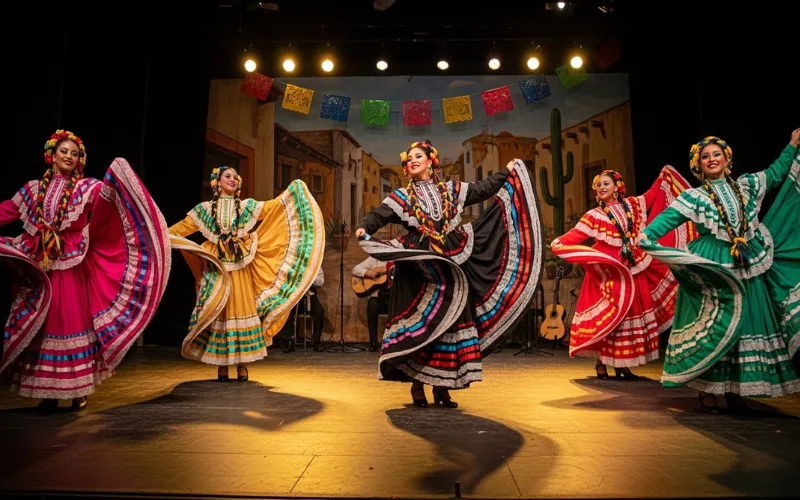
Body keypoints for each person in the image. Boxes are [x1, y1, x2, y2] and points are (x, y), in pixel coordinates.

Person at [354, 140, 543, 408]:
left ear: (432, 161)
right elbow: (379, 214)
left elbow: (481, 190)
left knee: (451, 325)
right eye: (409, 159)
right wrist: (364, 227)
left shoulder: (452, 190)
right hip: (421, 264)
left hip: (452, 258)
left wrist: (506, 173)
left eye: (418, 156)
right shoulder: (402, 197)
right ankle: (418, 385)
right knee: (425, 326)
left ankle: (443, 387)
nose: (413, 160)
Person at [0, 129, 171, 411]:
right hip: (41, 265)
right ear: (52, 155)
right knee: (42, 328)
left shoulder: (84, 188)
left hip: (70, 267)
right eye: (64, 151)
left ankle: (78, 389)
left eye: (74, 153)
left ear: (80, 160)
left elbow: (108, 202)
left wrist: (119, 176)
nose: (69, 156)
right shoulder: (31, 190)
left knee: (67, 323)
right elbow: (8, 210)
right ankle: (50, 393)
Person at [640, 130, 800, 412]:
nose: (712, 159)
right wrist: (648, 239)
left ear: (727, 159)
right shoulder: (694, 198)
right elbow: (663, 223)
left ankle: (736, 389)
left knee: (746, 322)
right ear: (698, 166)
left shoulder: (747, 185)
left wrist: (792, 145)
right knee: (718, 324)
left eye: (717, 154)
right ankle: (707, 388)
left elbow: (775, 173)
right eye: (705, 157)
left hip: (747, 260)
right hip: (715, 265)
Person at [168, 165, 325, 381]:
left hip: (239, 264)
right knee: (218, 310)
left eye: (235, 177)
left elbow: (271, 207)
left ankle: (241, 364)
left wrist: (292, 193)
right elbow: (182, 228)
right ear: (217, 182)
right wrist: (161, 233)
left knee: (239, 308)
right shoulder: (203, 210)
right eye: (227, 176)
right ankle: (221, 366)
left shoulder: (245, 207)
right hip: (216, 264)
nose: (232, 179)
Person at [551, 166, 697, 380]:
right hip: (609, 269)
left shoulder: (633, 205)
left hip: (632, 263)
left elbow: (652, 195)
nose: (602, 187)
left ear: (617, 187)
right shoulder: (594, 215)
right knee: (612, 315)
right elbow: (576, 235)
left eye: (606, 183)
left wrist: (663, 175)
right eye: (598, 184)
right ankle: (601, 363)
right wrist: (560, 242)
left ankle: (622, 365)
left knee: (628, 316)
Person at [352, 256, 393, 352]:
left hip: (394, 295)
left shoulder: (397, 260)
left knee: (395, 303)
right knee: (372, 303)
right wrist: (367, 273)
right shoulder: (375, 259)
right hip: (381, 296)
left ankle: (394, 342)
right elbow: (355, 269)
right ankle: (373, 342)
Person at [280, 267, 325, 352]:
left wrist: (309, 277)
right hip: (295, 295)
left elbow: (320, 282)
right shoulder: (294, 263)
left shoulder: (316, 264)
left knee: (320, 312)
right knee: (286, 311)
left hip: (310, 296)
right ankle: (289, 341)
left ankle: (316, 342)